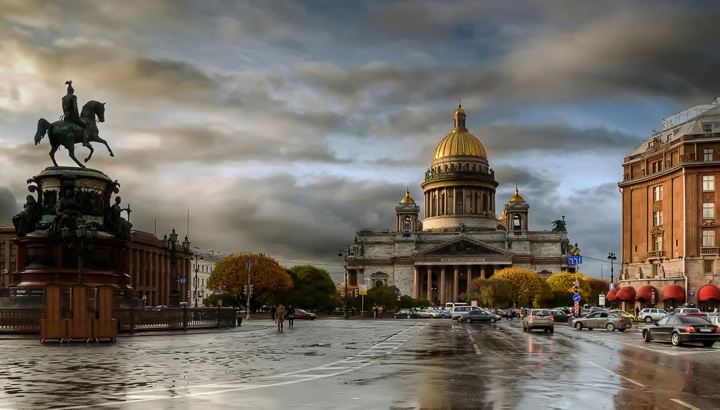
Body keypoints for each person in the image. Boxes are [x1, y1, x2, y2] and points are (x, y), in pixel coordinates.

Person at [61, 80, 89, 147]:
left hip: (66, 116)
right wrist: (77, 116)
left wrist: (65, 114)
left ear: (67, 91)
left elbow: (63, 107)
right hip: (73, 116)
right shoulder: (73, 97)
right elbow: (75, 107)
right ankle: (85, 141)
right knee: (86, 126)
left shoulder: (63, 98)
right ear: (72, 91)